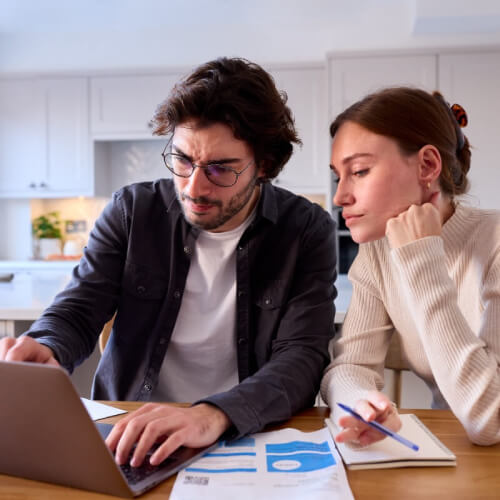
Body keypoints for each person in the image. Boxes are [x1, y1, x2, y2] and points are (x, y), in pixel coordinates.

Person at [0, 57, 337, 467]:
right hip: (126, 431)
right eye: (182, 160)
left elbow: (301, 357)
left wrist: (213, 414)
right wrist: (47, 344)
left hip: (242, 434)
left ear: (264, 165)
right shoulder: (132, 210)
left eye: (220, 169)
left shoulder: (305, 229)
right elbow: (78, 309)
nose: (194, 187)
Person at [320, 86, 500, 447]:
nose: (340, 197)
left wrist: (421, 255)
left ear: (427, 166)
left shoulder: (494, 242)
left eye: (359, 170)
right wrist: (360, 405)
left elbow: (489, 420)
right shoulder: (378, 253)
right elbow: (349, 365)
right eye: (339, 176)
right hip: (454, 453)